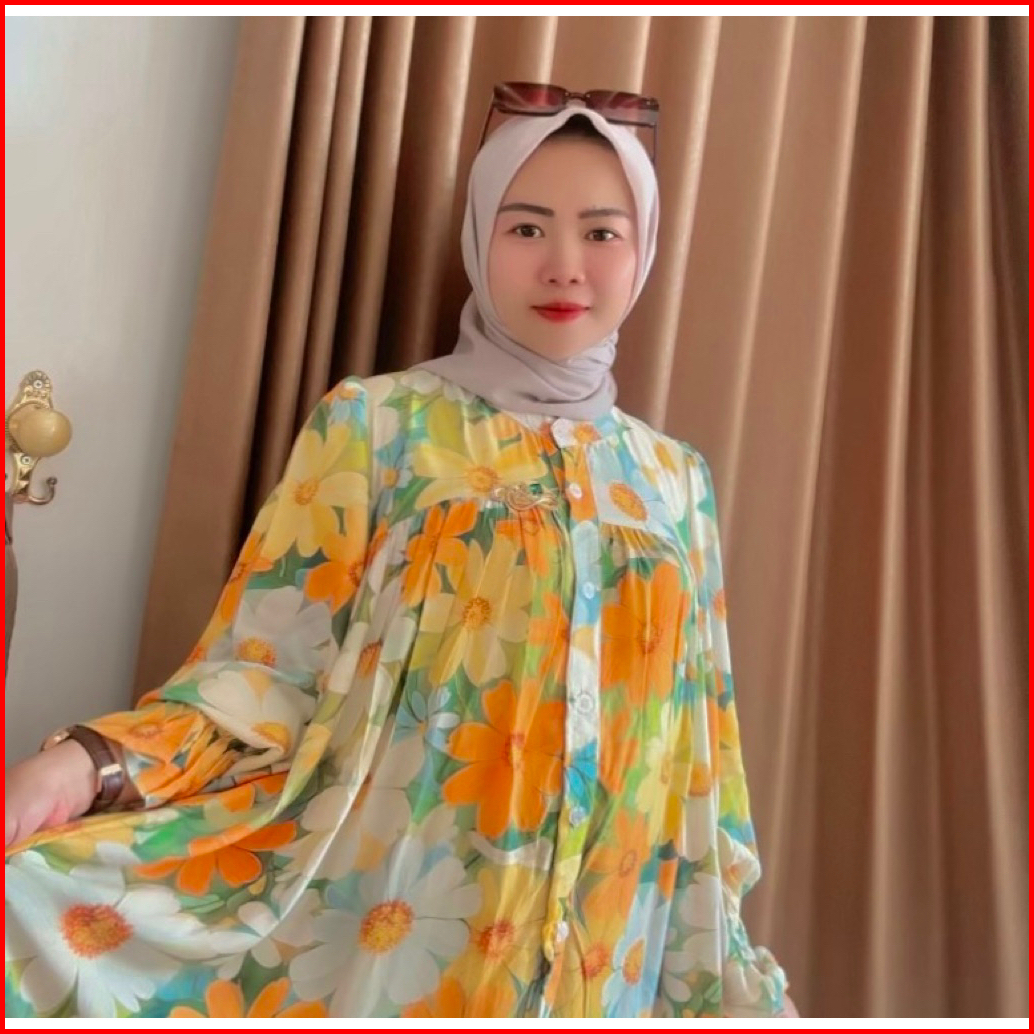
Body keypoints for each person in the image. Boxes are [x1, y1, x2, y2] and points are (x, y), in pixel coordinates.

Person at [5, 94, 794, 1019]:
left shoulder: (675, 481)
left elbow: (702, 761)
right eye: (526, 226)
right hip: (393, 936)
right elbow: (262, 672)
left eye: (601, 232)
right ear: (478, 236)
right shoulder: (377, 424)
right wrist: (90, 765)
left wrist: (717, 974)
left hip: (602, 959)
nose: (565, 264)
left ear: (645, 248)